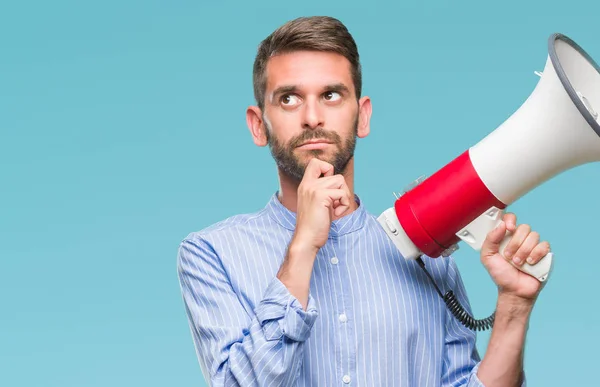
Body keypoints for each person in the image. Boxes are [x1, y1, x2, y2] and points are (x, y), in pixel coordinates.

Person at [177, 16, 551, 387]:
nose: (312, 117)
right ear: (259, 125)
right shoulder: (212, 253)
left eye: (331, 95)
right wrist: (303, 246)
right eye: (289, 99)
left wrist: (514, 307)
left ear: (363, 116)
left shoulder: (425, 256)